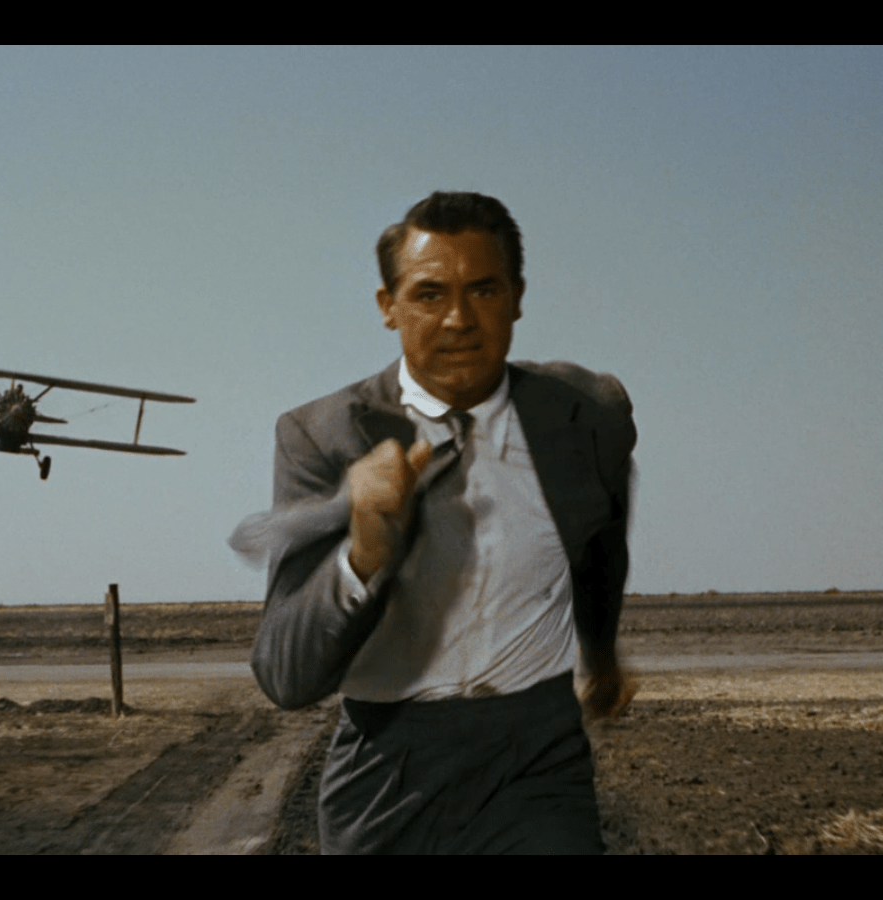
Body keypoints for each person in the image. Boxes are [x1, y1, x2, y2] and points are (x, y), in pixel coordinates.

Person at [244, 191, 636, 854]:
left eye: (483, 290)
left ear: (516, 297)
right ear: (388, 306)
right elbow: (285, 675)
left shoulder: (585, 412)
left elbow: (602, 533)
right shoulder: (322, 437)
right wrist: (363, 557)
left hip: (537, 759)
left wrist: (599, 652)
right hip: (388, 774)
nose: (458, 320)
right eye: (429, 295)